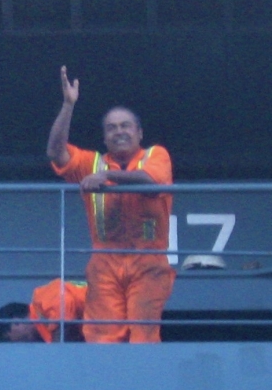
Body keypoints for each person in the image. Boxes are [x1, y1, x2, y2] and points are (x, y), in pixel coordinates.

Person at [46, 67, 175, 343]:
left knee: (144, 337)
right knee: (102, 337)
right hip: (105, 261)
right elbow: (56, 153)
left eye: (125, 126)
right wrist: (68, 105)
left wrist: (106, 177)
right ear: (104, 138)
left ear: (139, 133)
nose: (119, 132)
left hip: (149, 261)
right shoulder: (91, 163)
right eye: (111, 128)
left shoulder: (156, 154)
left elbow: (152, 181)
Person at [0, 279, 88, 342]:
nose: (15, 344)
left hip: (99, 306)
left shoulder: (40, 299)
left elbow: (64, 303)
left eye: (9, 339)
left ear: (16, 322)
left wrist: (57, 349)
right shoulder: (47, 330)